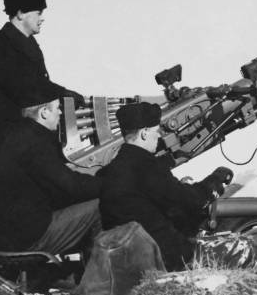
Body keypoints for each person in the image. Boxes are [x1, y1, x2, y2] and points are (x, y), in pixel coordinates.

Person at [98, 102, 237, 271]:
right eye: (156, 132)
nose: (159, 137)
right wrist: (214, 182)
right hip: (166, 258)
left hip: (129, 256)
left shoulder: (111, 170)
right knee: (243, 249)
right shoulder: (146, 167)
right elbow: (191, 201)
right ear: (144, 134)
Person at [0, 0, 83, 185]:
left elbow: (38, 84)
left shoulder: (27, 43)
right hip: (6, 139)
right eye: (38, 12)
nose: (42, 18)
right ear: (20, 13)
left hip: (28, 136)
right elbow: (26, 88)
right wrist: (65, 94)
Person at [0, 82, 101, 255]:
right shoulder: (34, 142)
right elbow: (72, 187)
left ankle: (76, 272)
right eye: (57, 108)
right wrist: (109, 183)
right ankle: (97, 277)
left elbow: (57, 183)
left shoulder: (20, 135)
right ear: (44, 112)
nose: (61, 112)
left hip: (12, 234)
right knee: (102, 205)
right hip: (30, 238)